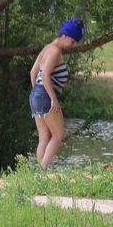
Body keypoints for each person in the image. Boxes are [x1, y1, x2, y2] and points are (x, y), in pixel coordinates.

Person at [30, 17, 83, 168]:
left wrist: (36, 92)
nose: (72, 45)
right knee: (58, 135)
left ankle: (39, 172)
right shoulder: (54, 51)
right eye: (72, 41)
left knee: (44, 138)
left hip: (37, 95)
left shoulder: (46, 48)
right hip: (46, 96)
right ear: (65, 36)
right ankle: (42, 171)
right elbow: (45, 74)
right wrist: (52, 98)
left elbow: (33, 72)